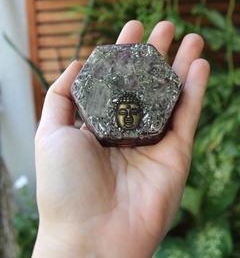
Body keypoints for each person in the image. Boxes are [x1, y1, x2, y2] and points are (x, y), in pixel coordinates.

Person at [31, 21, 210, 258]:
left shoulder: (151, 108)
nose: (127, 117)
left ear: (141, 111)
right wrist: (70, 234)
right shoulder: (99, 110)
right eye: (122, 112)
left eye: (132, 112)